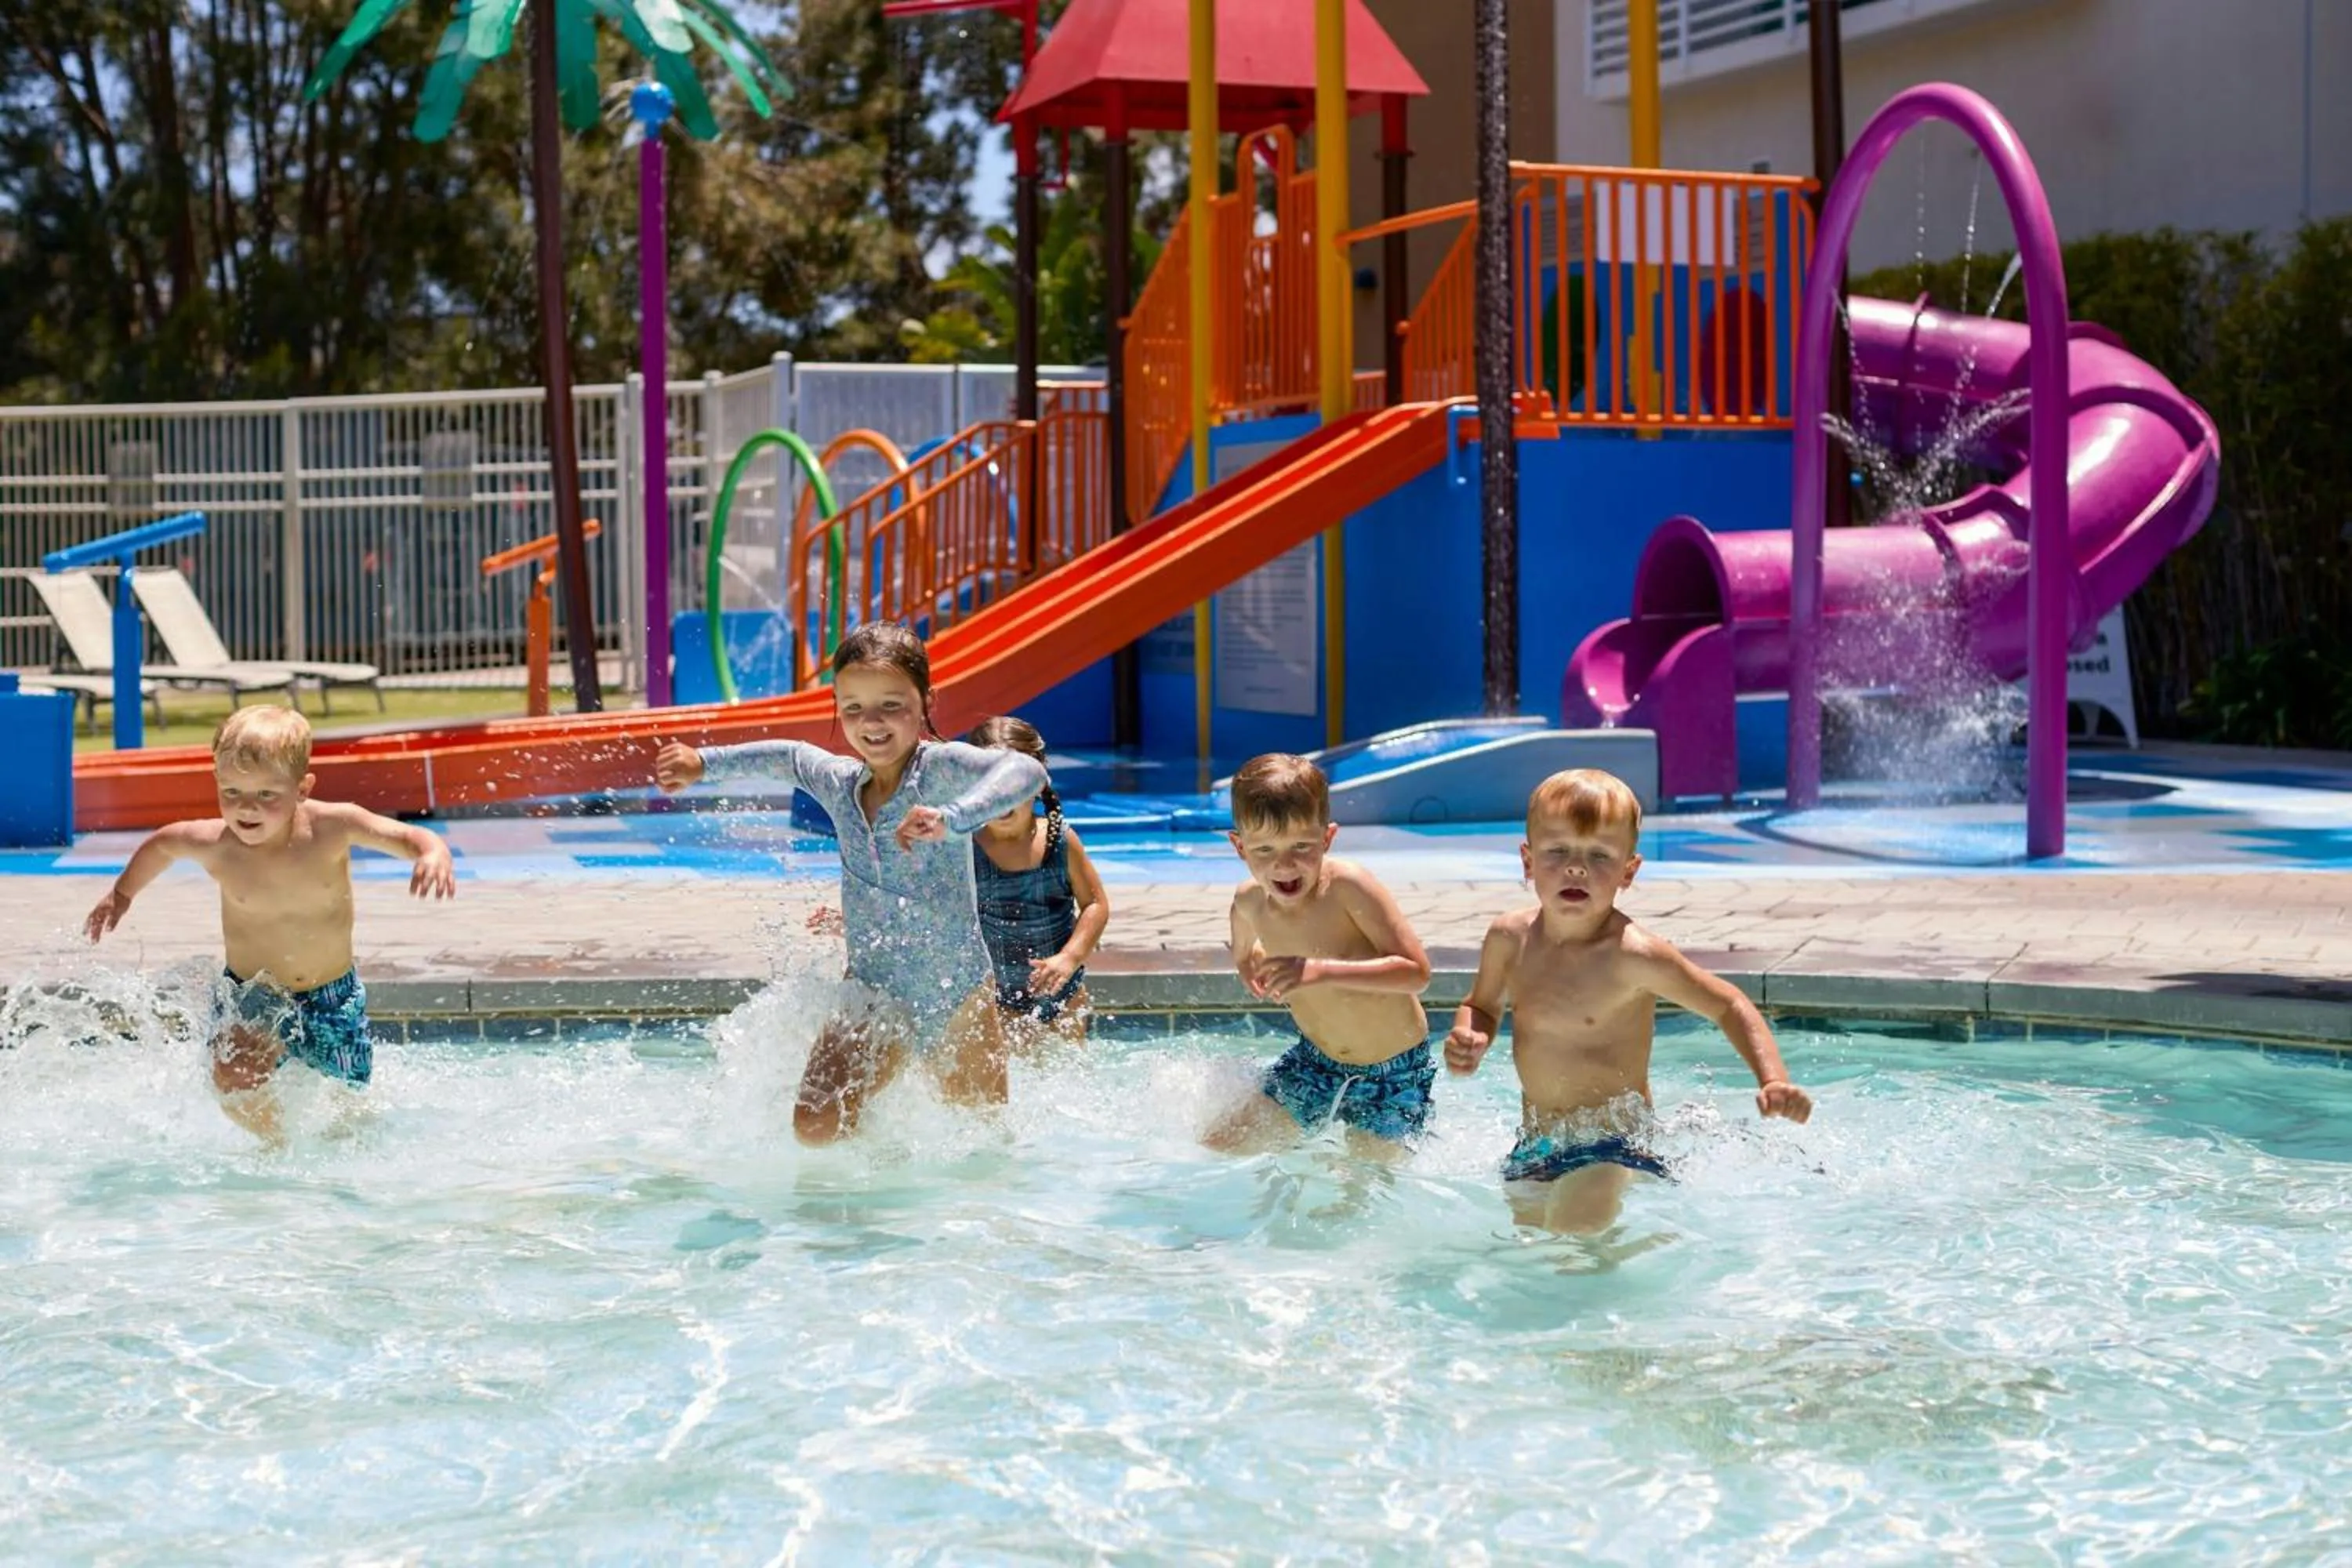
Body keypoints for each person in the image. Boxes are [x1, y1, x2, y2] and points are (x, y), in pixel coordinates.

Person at [653, 622, 1045, 1144]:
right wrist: (706, 763)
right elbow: (791, 757)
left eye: (891, 705)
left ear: (926, 700)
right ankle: (857, 1215)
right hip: (872, 993)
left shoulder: (940, 771)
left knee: (982, 1143)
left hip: (954, 997)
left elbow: (1024, 771)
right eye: (853, 707)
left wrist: (955, 817)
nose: (872, 723)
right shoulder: (840, 786)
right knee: (816, 1125)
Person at [1445, 768, 1813, 1232]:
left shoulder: (1634, 955)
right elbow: (1483, 1005)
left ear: (1628, 872)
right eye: (1557, 851)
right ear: (1527, 861)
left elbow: (1727, 1004)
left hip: (1613, 1144)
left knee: (1574, 1239)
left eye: (1598, 856)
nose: (1575, 868)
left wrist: (1773, 1079)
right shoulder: (1507, 938)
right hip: (1537, 1144)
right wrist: (1470, 1034)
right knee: (1534, 1260)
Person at [83, 706, 456, 1144]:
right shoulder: (216, 845)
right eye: (232, 792)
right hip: (252, 992)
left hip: (331, 995)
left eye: (266, 795)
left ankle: (325, 1158)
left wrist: (433, 853)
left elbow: (409, 837)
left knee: (347, 1108)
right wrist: (122, 894)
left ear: (302, 789)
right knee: (233, 1079)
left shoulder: (334, 826)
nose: (246, 807)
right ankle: (277, 1145)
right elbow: (163, 846)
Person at [1203, 753, 1436, 1155]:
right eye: (1264, 850)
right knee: (1219, 1146)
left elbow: (1416, 973)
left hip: (1392, 1074)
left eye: (1301, 846)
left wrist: (1320, 971)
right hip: (1315, 1064)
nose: (1285, 864)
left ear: (1327, 838)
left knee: (1361, 1187)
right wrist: (1248, 965)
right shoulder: (1250, 902)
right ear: (1239, 848)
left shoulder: (1348, 888)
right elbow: (1243, 942)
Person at [965, 717, 1109, 1045]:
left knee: (1066, 1082)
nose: (1001, 795)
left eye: (1012, 784)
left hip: (1063, 996)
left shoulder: (1060, 841)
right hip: (994, 999)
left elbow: (1096, 904)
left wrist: (1070, 957)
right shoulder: (966, 847)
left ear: (1038, 782)